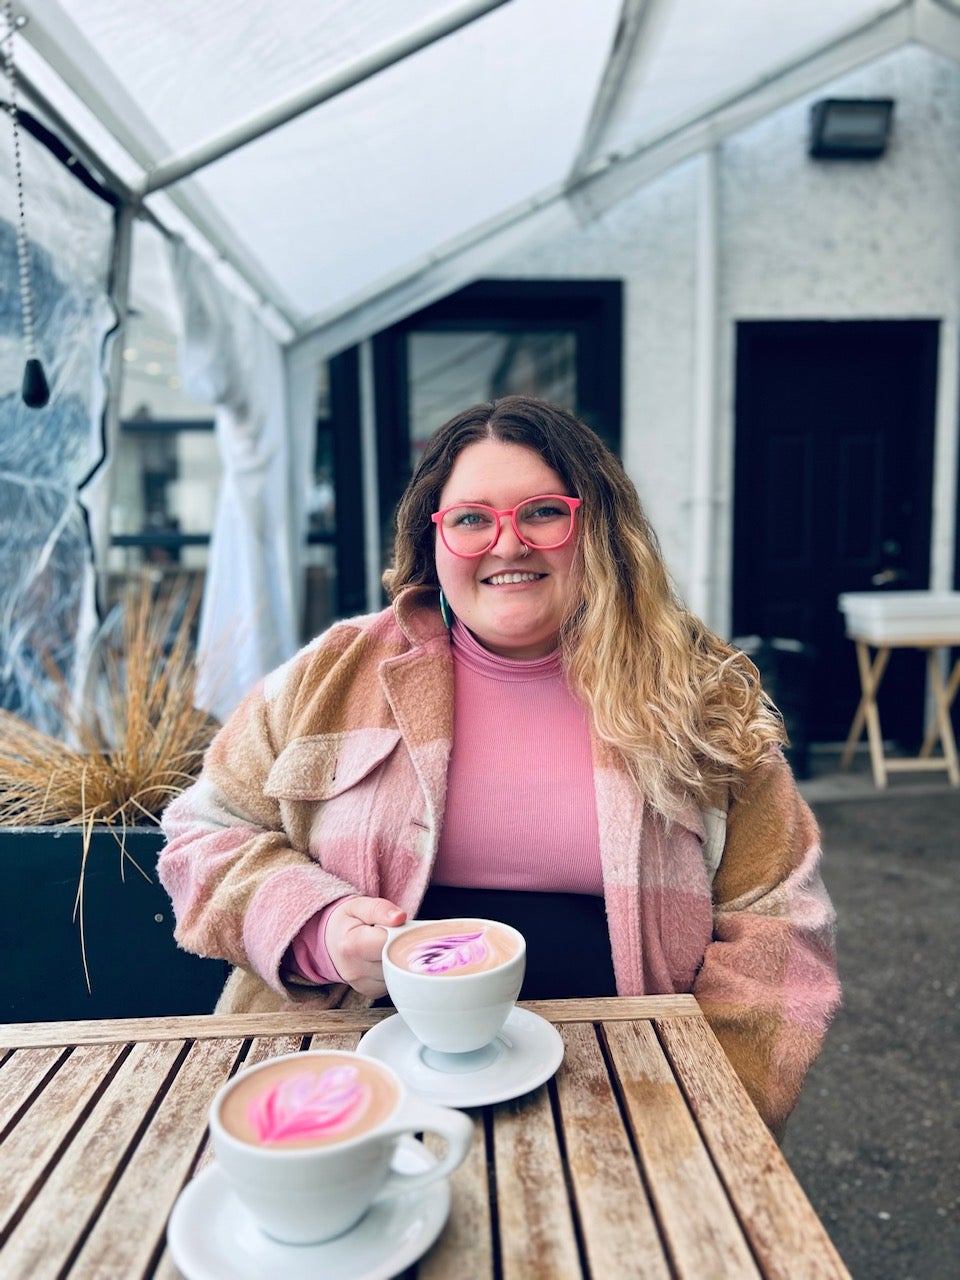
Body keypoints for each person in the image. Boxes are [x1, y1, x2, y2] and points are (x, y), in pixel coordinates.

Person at [159, 395, 840, 1136]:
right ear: (436, 538)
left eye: (543, 512)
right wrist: (315, 925)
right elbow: (202, 833)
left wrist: (703, 1107)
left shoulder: (698, 692)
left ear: (599, 526)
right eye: (473, 519)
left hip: (628, 1098)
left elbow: (781, 921)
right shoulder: (334, 673)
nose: (507, 545)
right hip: (347, 1086)